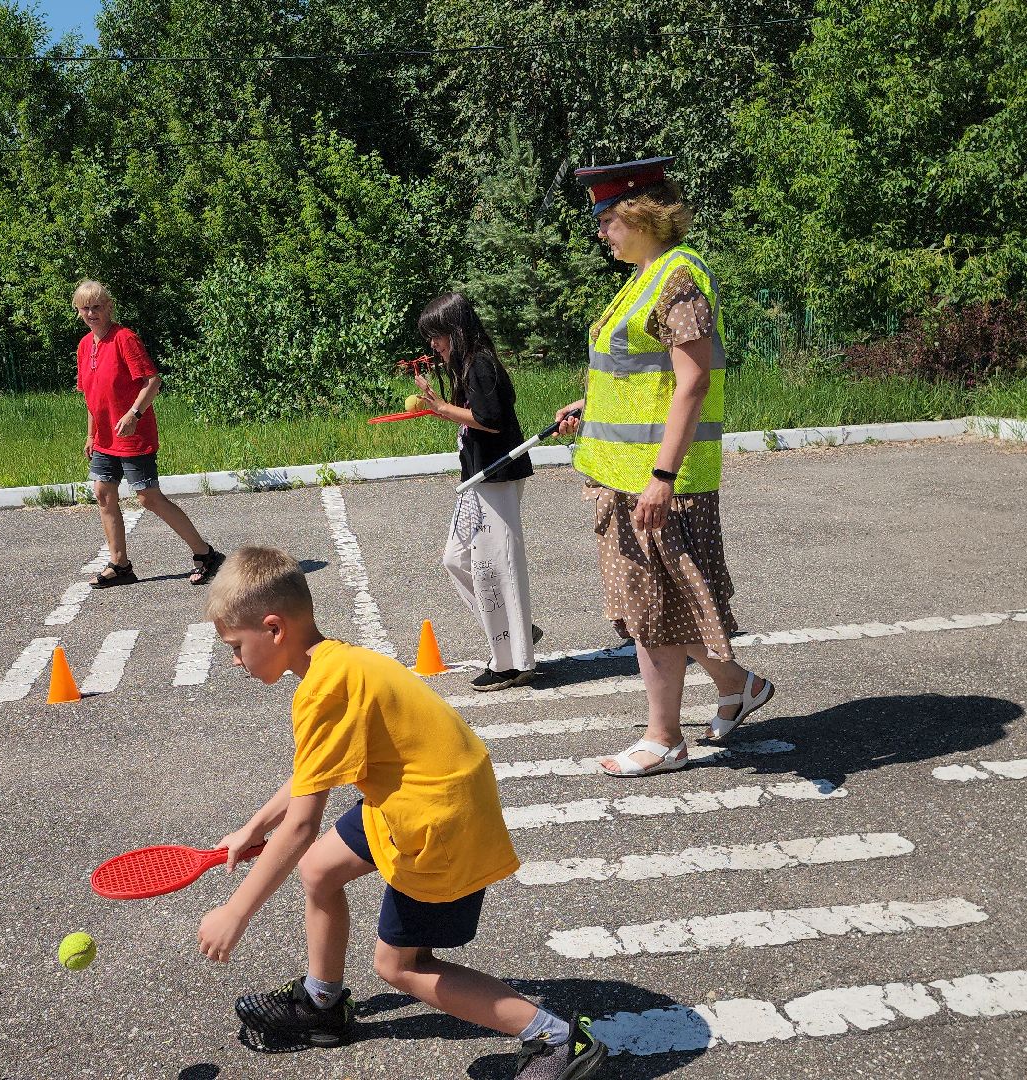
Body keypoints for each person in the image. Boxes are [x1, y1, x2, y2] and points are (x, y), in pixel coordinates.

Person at [194, 547, 607, 1079]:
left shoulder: (322, 690)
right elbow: (311, 772)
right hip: (421, 796)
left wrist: (235, 912)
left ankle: (558, 1039)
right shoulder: (337, 663)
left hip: (438, 821)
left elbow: (301, 826)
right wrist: (252, 828)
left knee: (400, 967)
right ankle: (322, 1004)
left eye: (235, 646)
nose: (235, 661)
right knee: (319, 869)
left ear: (274, 629)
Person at [552, 157, 777, 778]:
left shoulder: (677, 279)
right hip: (626, 476)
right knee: (670, 606)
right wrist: (591, 407)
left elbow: (693, 380)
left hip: (657, 483)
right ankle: (738, 687)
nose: (601, 231)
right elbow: (641, 375)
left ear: (640, 214)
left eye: (606, 218)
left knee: (653, 612)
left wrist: (662, 477)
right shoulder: (645, 277)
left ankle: (664, 738)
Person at [412, 293, 540, 691]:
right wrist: (440, 405)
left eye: (437, 335)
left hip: (497, 477)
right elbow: (477, 418)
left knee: (495, 568)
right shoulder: (467, 365)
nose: (434, 344)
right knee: (455, 560)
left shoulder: (481, 364)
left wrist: (442, 409)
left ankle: (512, 663)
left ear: (456, 330)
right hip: (477, 479)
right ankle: (518, 632)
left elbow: (491, 419)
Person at [71, 279, 224, 588]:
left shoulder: (124, 338)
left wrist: (134, 414)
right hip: (105, 438)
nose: (91, 313)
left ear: (109, 307)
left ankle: (206, 554)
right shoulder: (86, 345)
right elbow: (91, 396)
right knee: (103, 493)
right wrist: (91, 435)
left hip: (132, 435)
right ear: (78, 311)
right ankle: (120, 565)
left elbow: (152, 381)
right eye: (85, 308)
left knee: (148, 497)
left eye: (97, 306)